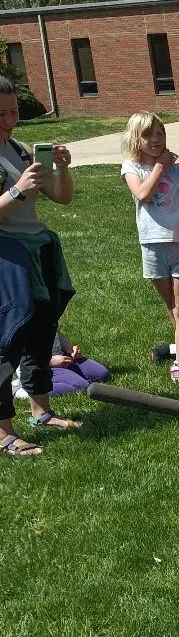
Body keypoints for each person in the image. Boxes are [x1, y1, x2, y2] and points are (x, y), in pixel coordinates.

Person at [0, 74, 79, 455]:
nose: (9, 119)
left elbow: (61, 198)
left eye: (13, 111)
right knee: (8, 337)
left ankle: (41, 411)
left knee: (40, 329)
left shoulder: (19, 148)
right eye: (1, 113)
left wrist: (61, 168)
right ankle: (2, 431)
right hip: (6, 256)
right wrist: (17, 190)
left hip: (38, 248)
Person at [121, 110, 179, 384]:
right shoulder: (131, 166)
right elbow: (142, 194)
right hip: (151, 244)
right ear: (136, 139)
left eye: (160, 133)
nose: (155, 139)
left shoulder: (176, 167)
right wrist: (161, 167)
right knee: (172, 307)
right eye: (148, 135)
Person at [16, 331, 109, 398]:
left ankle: (68, 376)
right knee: (81, 386)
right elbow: (21, 353)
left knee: (102, 373)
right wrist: (50, 361)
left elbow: (56, 332)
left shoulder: (48, 307)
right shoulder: (22, 314)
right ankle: (25, 390)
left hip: (63, 358)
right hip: (39, 366)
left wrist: (70, 349)